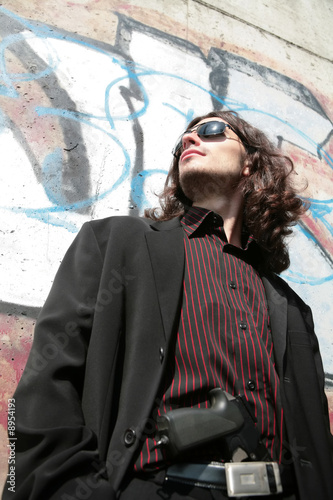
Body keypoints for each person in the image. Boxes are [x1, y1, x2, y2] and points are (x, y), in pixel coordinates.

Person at [2, 110, 333, 500]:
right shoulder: (117, 243)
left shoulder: (289, 306)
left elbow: (314, 435)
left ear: (250, 165)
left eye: (210, 131)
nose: (189, 141)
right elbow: (49, 380)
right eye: (183, 141)